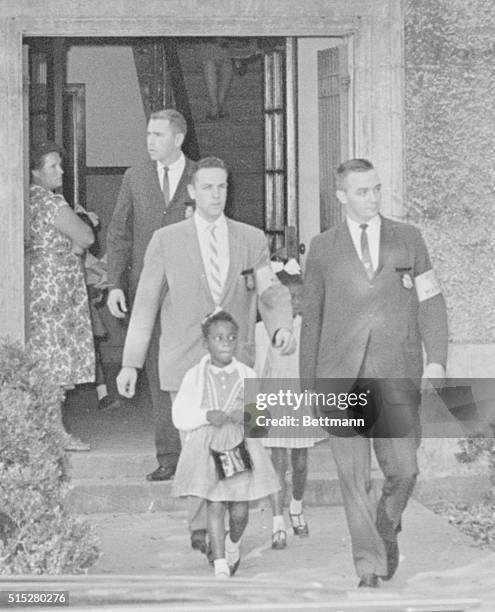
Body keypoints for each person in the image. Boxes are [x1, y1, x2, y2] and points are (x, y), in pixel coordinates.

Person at [116, 155, 295, 559]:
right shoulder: (167, 239)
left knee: (235, 446)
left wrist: (282, 326)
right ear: (193, 193)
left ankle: (231, 526)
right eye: (209, 187)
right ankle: (201, 528)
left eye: (223, 187)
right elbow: (145, 303)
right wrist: (130, 362)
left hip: (236, 363)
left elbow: (268, 291)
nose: (217, 195)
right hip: (185, 363)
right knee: (196, 448)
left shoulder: (251, 239)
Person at [300, 158, 448, 589]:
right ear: (342, 196)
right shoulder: (323, 247)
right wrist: (309, 388)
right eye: (362, 192)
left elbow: (431, 301)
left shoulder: (409, 239)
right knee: (353, 480)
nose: (373, 198)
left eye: (377, 190)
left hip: (394, 373)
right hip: (339, 377)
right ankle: (368, 564)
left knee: (404, 470)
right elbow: (312, 320)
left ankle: (387, 524)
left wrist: (435, 358)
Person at [106, 109, 195, 482]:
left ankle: (201, 454)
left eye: (158, 134)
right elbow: (119, 233)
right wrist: (113, 283)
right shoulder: (135, 176)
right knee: (158, 372)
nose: (149, 141)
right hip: (149, 290)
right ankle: (169, 456)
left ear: (178, 139)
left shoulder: (201, 177)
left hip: (193, 291)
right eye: (148, 134)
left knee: (194, 372)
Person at [172, 310, 280, 578]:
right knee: (215, 504)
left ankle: (233, 543)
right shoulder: (194, 376)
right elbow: (179, 416)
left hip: (238, 449)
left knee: (240, 511)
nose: (225, 343)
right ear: (206, 342)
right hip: (207, 448)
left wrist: (245, 415)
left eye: (231, 337)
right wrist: (205, 415)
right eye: (218, 337)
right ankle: (220, 564)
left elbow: (261, 421)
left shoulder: (247, 374)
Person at [254, 259, 326, 551]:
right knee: (277, 463)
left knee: (299, 461)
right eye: (289, 298)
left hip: (300, 399)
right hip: (274, 398)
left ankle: (296, 506)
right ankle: (277, 521)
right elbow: (259, 372)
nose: (295, 304)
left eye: (300, 297)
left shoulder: (311, 329)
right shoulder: (263, 331)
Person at [28, 141, 96, 452]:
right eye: (52, 166)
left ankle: (45, 431)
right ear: (35, 172)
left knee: (45, 358)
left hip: (38, 283)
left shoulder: (26, 200)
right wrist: (78, 246)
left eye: (60, 164)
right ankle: (56, 433)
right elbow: (85, 235)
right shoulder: (51, 203)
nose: (61, 170)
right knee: (55, 359)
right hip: (57, 285)